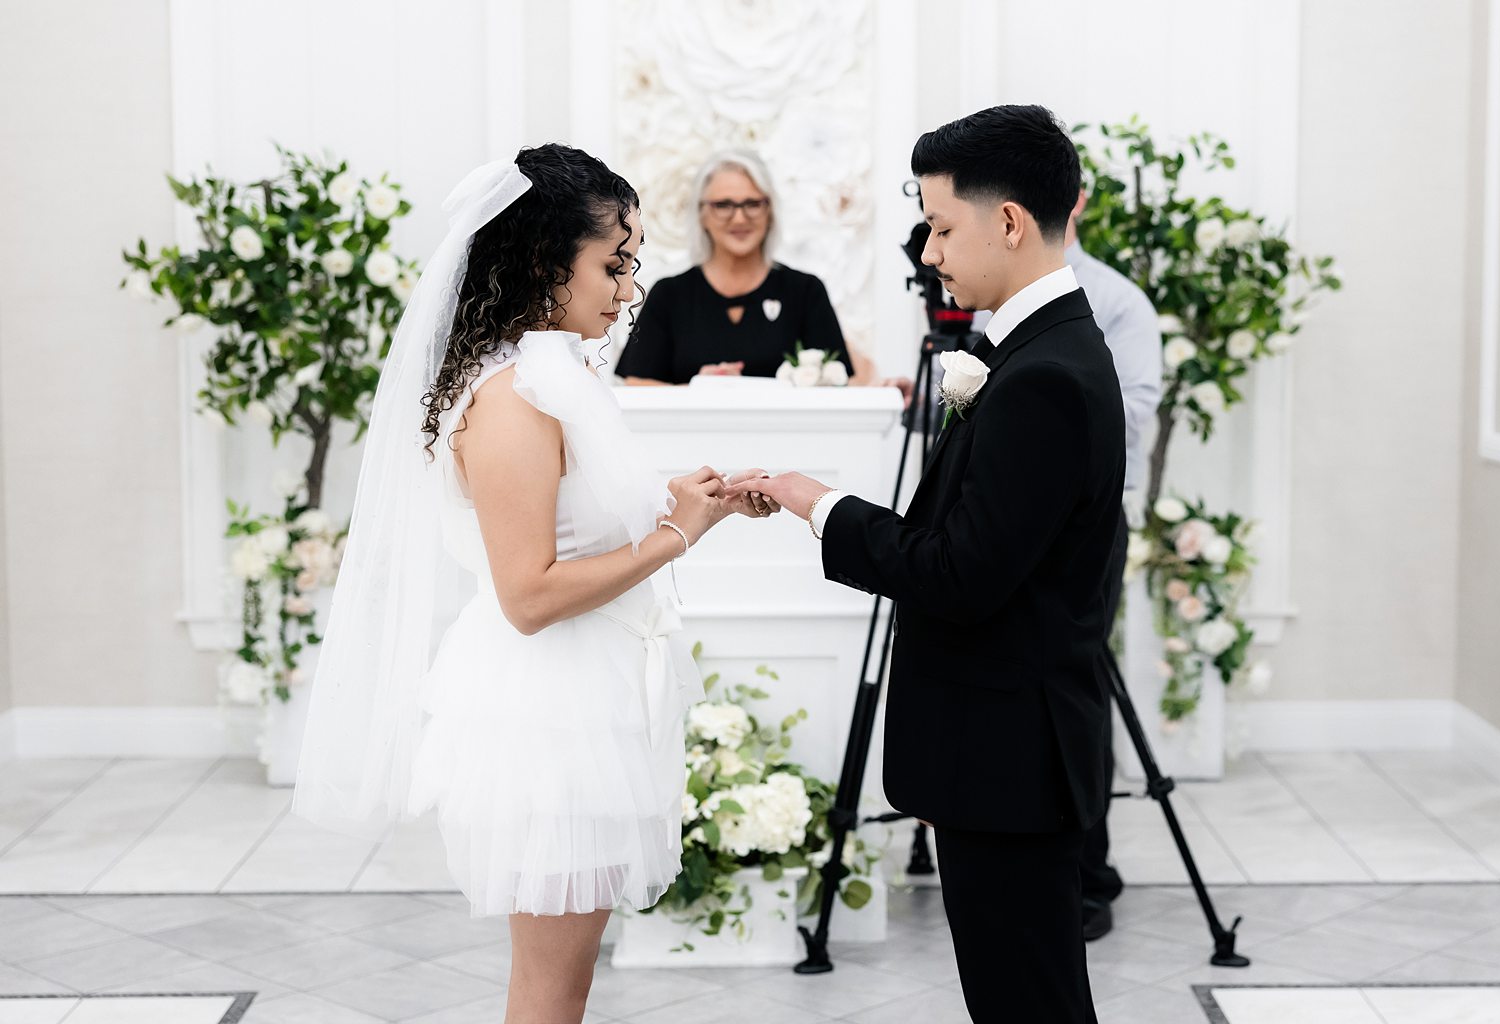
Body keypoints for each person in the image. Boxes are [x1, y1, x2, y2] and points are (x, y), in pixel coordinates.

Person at [291, 144, 781, 1024]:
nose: (628, 288)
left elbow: (575, 520)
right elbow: (529, 595)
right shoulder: (516, 397)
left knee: (565, 985)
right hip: (550, 715)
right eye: (613, 263)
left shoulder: (555, 374)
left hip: (585, 695)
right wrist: (677, 535)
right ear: (545, 262)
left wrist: (683, 501)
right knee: (551, 992)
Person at [728, 105, 1124, 1023]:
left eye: (943, 227)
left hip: (1011, 762)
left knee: (1029, 1001)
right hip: (1002, 756)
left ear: (1011, 222)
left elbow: (960, 573)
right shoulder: (1034, 352)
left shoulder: (1047, 377)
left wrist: (812, 500)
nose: (932, 253)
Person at [1063, 189, 1162, 942]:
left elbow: (1131, 426)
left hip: (1085, 522)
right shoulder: (971, 292)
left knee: (1076, 687)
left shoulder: (1117, 303)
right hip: (986, 515)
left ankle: (1086, 875)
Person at [615, 150, 909, 398]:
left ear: (770, 211)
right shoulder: (670, 294)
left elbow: (841, 382)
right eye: (724, 205)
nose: (740, 217)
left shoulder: (804, 291)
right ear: (701, 213)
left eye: (752, 204)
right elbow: (637, 385)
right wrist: (697, 389)